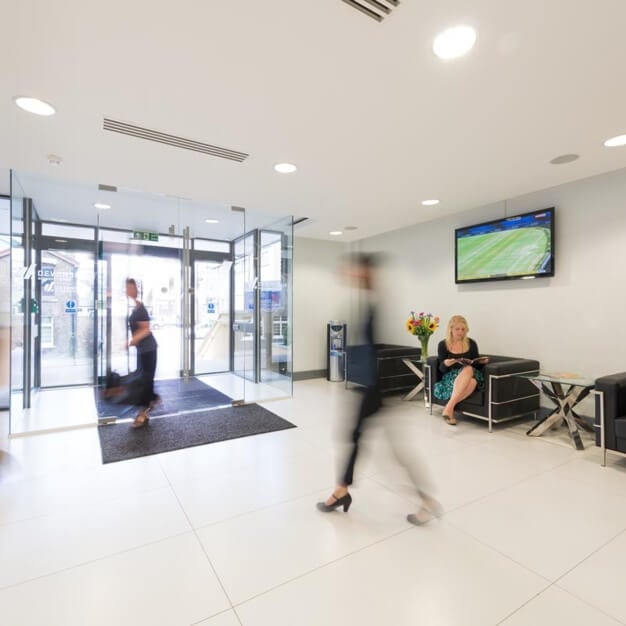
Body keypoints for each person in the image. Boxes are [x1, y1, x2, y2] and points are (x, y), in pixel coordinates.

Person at [316, 253, 442, 526]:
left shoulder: (375, 301)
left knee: (380, 447)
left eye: (357, 271)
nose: (352, 275)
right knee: (364, 440)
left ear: (366, 272)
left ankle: (423, 500)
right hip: (371, 387)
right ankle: (342, 489)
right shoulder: (370, 299)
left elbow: (372, 346)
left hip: (375, 388)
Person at [434, 315, 488, 426]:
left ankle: (449, 408)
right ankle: (450, 409)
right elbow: (441, 369)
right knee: (472, 382)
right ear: (451, 329)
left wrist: (481, 362)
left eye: (463, 329)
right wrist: (446, 363)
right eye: (457, 329)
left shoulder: (471, 343)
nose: (461, 332)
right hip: (451, 376)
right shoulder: (443, 345)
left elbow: (475, 365)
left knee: (469, 369)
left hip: (470, 372)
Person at [126, 278, 160, 428]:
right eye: (127, 288)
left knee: (145, 381)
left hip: (149, 349)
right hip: (143, 350)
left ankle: (143, 412)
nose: (128, 290)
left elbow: (146, 329)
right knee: (144, 380)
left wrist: (132, 340)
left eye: (130, 288)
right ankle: (152, 400)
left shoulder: (141, 309)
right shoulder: (136, 306)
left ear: (136, 289)